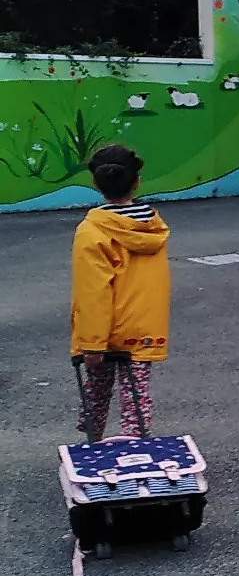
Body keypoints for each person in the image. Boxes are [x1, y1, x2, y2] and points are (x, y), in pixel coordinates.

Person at [71, 144, 171, 439]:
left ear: (95, 182)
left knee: (96, 393)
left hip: (106, 332)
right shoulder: (152, 227)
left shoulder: (92, 231)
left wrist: (92, 343)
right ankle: (137, 451)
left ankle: (93, 449)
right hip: (144, 329)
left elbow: (94, 291)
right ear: (136, 181)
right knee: (136, 400)